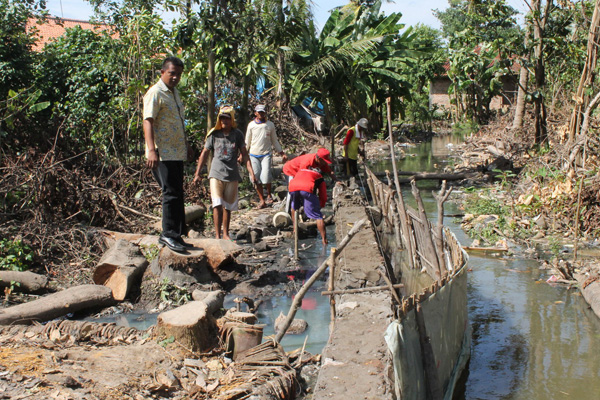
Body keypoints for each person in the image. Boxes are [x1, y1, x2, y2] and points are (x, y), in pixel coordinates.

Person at [143, 56, 192, 253]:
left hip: (176, 151)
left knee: (178, 192)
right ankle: (167, 235)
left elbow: (179, 121)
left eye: (178, 74)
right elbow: (148, 121)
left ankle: (177, 235)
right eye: (172, 73)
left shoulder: (174, 93)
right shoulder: (155, 93)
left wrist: (187, 144)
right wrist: (152, 150)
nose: (175, 78)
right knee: (170, 193)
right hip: (162, 153)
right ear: (162, 72)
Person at [194, 105, 256, 240]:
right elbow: (205, 153)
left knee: (227, 206)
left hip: (232, 174)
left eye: (227, 119)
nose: (224, 121)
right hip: (216, 173)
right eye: (222, 119)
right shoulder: (214, 135)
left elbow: (244, 154)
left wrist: (251, 172)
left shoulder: (237, 134)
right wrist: (197, 173)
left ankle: (226, 234)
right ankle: (217, 235)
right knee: (217, 204)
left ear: (231, 120)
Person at [245, 104, 287, 209]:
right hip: (254, 154)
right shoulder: (251, 125)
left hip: (266, 154)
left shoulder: (270, 125)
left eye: (262, 112)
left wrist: (281, 153)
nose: (261, 114)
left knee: (266, 175)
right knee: (255, 178)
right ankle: (262, 200)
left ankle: (269, 194)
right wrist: (243, 154)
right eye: (259, 112)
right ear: (255, 113)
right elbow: (247, 141)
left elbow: (274, 140)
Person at [288, 166, 328, 245]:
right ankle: (324, 240)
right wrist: (321, 205)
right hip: (307, 188)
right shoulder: (319, 176)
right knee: (318, 216)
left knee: (294, 207)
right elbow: (322, 194)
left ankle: (295, 229)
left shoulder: (301, 171)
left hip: (292, 187)